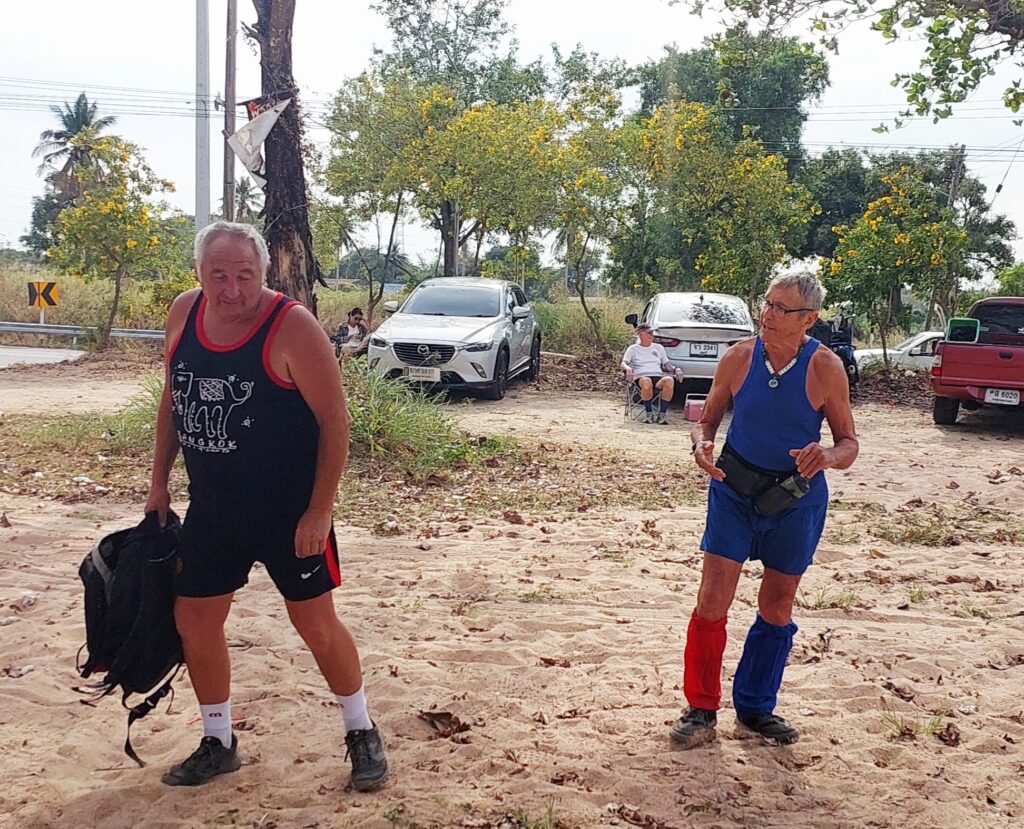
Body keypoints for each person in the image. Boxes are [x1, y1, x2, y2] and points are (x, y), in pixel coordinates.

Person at [144, 221, 388, 792]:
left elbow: (335, 422)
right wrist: (158, 483)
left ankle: (361, 729)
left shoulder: (292, 326)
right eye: (218, 275)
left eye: (244, 276)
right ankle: (218, 740)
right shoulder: (183, 314)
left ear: (265, 272)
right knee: (195, 621)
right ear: (199, 272)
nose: (231, 289)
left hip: (289, 514)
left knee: (315, 623)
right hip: (212, 509)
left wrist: (320, 510)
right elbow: (173, 401)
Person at [669, 272, 859, 748]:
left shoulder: (825, 367)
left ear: (808, 319)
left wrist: (827, 456)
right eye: (767, 303)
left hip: (795, 500)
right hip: (733, 490)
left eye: (780, 308)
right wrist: (701, 444)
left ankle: (755, 707)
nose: (767, 314)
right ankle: (701, 708)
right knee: (713, 598)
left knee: (777, 604)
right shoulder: (739, 356)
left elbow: (848, 443)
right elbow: (707, 420)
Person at [621, 324, 678, 424]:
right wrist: (628, 368)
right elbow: (624, 363)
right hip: (641, 377)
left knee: (669, 380)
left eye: (652, 332)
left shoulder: (658, 347)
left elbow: (667, 364)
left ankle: (662, 414)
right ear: (641, 334)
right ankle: (649, 413)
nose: (652, 335)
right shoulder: (633, 349)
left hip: (657, 376)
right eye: (649, 333)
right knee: (646, 382)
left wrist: (676, 369)